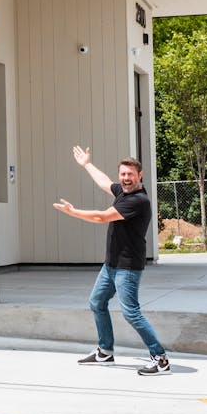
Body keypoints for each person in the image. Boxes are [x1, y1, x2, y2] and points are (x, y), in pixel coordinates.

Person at [53, 145, 170, 376]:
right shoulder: (123, 193)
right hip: (112, 264)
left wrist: (72, 211)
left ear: (140, 175)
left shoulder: (138, 201)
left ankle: (161, 359)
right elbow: (105, 181)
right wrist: (87, 164)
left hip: (127, 267)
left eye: (130, 174)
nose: (125, 178)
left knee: (131, 312)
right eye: (123, 174)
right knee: (97, 302)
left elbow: (101, 217)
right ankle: (105, 352)